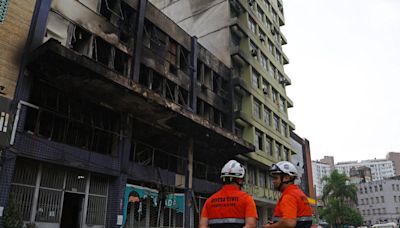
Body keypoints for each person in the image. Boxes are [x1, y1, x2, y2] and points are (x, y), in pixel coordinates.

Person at [199, 160, 258, 228]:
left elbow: (202, 226)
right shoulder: (247, 199)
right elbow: (251, 225)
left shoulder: (209, 201)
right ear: (239, 180)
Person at [263, 161, 313, 228]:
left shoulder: (289, 196)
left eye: (276, 178)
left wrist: (269, 227)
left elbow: (289, 223)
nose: (273, 181)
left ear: (286, 178)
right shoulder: (298, 193)